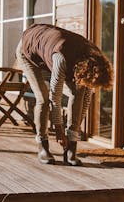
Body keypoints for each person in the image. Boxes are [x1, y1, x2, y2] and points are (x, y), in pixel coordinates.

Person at [16, 24, 113, 166]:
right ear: (82, 71)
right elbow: (54, 97)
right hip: (28, 51)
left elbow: (86, 99)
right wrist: (59, 129)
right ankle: (42, 146)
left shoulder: (95, 57)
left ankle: (70, 151)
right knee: (43, 98)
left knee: (78, 92)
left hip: (51, 51)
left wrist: (73, 133)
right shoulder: (62, 58)